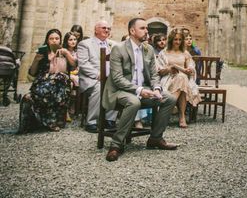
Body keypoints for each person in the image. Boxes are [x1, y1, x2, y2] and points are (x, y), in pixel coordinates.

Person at [102, 18, 178, 161]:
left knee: (169, 98)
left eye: (147, 28)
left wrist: (156, 88)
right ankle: (116, 145)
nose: (147, 31)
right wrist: (140, 90)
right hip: (120, 91)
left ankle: (155, 138)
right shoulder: (119, 48)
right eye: (143, 28)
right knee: (134, 102)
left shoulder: (148, 49)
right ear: (132, 31)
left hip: (144, 91)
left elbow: (154, 74)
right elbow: (117, 79)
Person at [24, 29, 75, 131]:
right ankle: (47, 121)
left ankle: (51, 121)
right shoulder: (42, 53)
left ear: (60, 40)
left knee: (59, 78)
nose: (54, 41)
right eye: (51, 38)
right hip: (44, 82)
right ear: (47, 40)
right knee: (45, 90)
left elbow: (73, 66)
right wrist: (36, 60)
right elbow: (32, 73)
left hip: (61, 82)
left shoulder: (64, 52)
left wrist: (67, 54)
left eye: (57, 38)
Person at [77, 20, 118, 132]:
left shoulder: (113, 44)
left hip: (110, 77)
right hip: (91, 78)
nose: (107, 30)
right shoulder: (85, 44)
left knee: (117, 87)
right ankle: (92, 121)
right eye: (104, 28)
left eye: (108, 28)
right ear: (96, 30)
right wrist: (98, 74)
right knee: (100, 87)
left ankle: (109, 119)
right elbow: (83, 64)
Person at [156, 28, 201, 128]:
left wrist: (189, 69)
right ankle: (182, 116)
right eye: (175, 39)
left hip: (183, 79)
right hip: (168, 79)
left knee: (182, 77)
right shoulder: (164, 53)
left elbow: (191, 67)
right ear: (171, 40)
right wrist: (169, 69)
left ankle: (169, 108)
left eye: (180, 40)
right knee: (182, 78)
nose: (178, 42)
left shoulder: (185, 53)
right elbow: (159, 71)